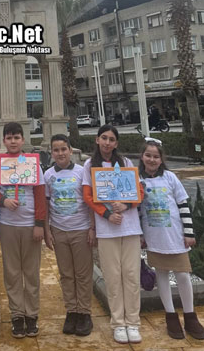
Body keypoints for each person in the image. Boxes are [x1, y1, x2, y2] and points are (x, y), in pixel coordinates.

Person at [139, 138, 204, 340]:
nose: (152, 159)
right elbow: (138, 211)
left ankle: (190, 315)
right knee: (161, 274)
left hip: (175, 235)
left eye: (156, 156)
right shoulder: (137, 179)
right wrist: (141, 235)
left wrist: (189, 233)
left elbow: (183, 205)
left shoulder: (170, 177)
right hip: (154, 237)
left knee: (183, 275)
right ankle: (170, 315)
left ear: (161, 159)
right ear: (142, 157)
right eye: (148, 155)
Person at [82, 124, 144, 345]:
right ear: (97, 140)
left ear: (116, 143)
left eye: (111, 139)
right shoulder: (90, 165)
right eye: (104, 138)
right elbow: (88, 196)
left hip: (130, 228)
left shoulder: (125, 163)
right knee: (113, 278)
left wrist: (126, 205)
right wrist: (107, 214)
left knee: (131, 276)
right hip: (107, 230)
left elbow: (139, 190)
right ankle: (118, 323)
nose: (107, 142)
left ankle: (133, 322)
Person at [0, 122, 46, 339]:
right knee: (12, 272)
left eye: (16, 137)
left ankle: (32, 314)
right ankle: (17, 314)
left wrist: (39, 224)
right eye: (9, 137)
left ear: (23, 140)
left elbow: (40, 194)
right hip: (8, 225)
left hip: (30, 224)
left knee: (31, 272)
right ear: (4, 140)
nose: (13, 141)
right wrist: (3, 201)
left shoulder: (32, 163)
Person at [44, 134, 95, 337]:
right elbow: (47, 205)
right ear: (51, 152)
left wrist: (92, 228)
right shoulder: (48, 175)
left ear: (70, 150)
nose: (60, 153)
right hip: (59, 230)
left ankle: (84, 312)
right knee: (66, 274)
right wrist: (47, 230)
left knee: (83, 274)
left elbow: (90, 202)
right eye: (56, 150)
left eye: (63, 149)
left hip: (80, 229)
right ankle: (72, 311)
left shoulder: (82, 172)